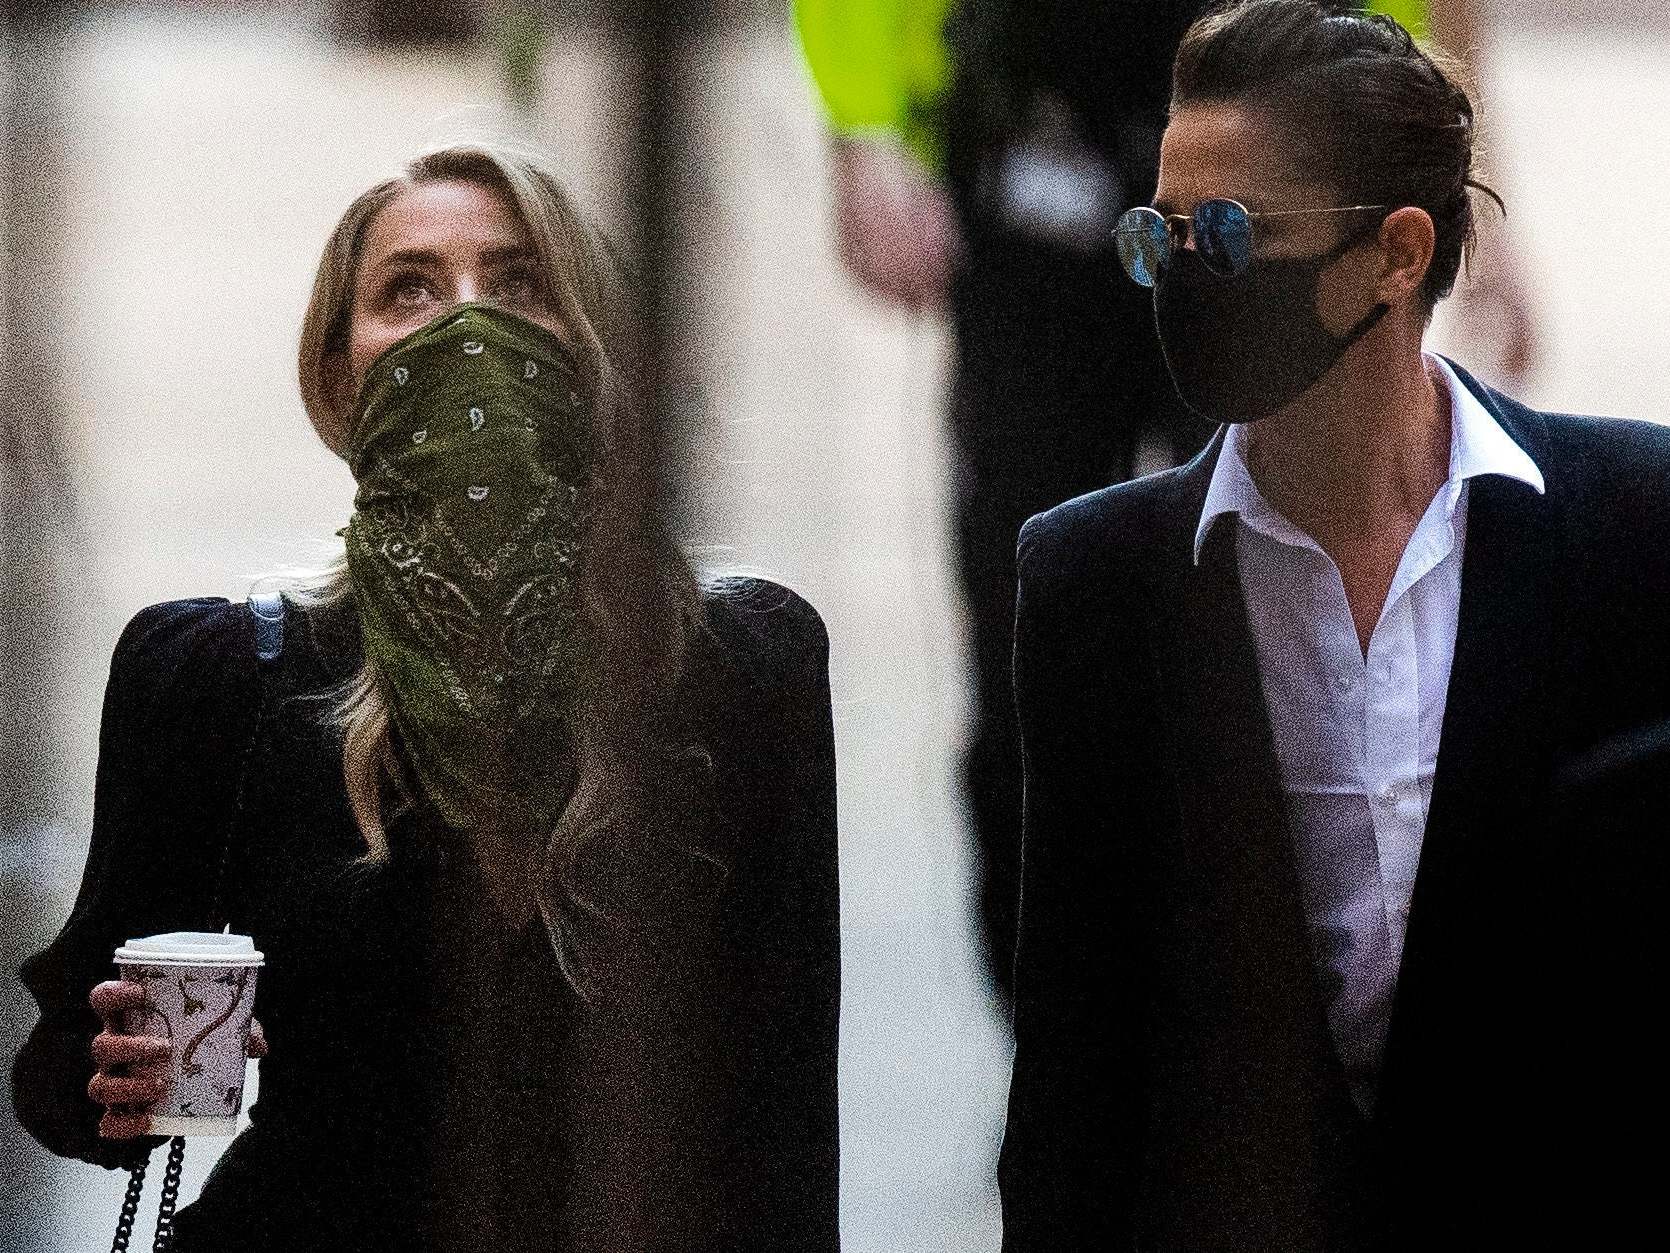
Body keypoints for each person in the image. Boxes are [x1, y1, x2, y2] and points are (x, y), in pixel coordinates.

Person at [11, 141, 841, 1253]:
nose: (464, 325)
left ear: (593, 353)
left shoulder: (737, 663)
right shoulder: (224, 676)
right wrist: (114, 1074)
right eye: (408, 289)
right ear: (340, 375)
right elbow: (67, 1080)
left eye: (517, 284)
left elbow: (782, 1123)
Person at [997, 2, 1670, 1248]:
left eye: (1235, 234)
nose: (1188, 273)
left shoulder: (1632, 530)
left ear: (1394, 254)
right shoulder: (1098, 582)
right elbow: (1075, 1080)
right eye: (1164, 234)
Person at [794, 0, 1535, 1007]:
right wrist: (863, 126)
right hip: (1031, 157)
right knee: (1032, 632)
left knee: (1282, 628)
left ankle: (1271, 1028)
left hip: (1279, 188)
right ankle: (1057, 1026)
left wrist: (1455, 180)